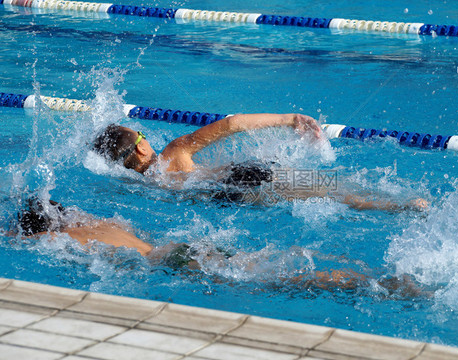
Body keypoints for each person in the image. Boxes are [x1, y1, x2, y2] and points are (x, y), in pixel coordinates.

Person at [14, 198, 430, 296]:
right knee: (269, 263)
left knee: (281, 280)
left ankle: (377, 288)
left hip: (176, 262)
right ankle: (371, 276)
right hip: (186, 245)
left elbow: (23, 240)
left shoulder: (58, 238)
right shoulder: (103, 223)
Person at [92, 113, 429, 211]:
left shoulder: (133, 186)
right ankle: (398, 207)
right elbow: (232, 124)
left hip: (227, 200)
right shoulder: (174, 152)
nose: (145, 135)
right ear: (140, 149)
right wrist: (289, 118)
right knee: (334, 191)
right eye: (140, 135)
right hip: (245, 176)